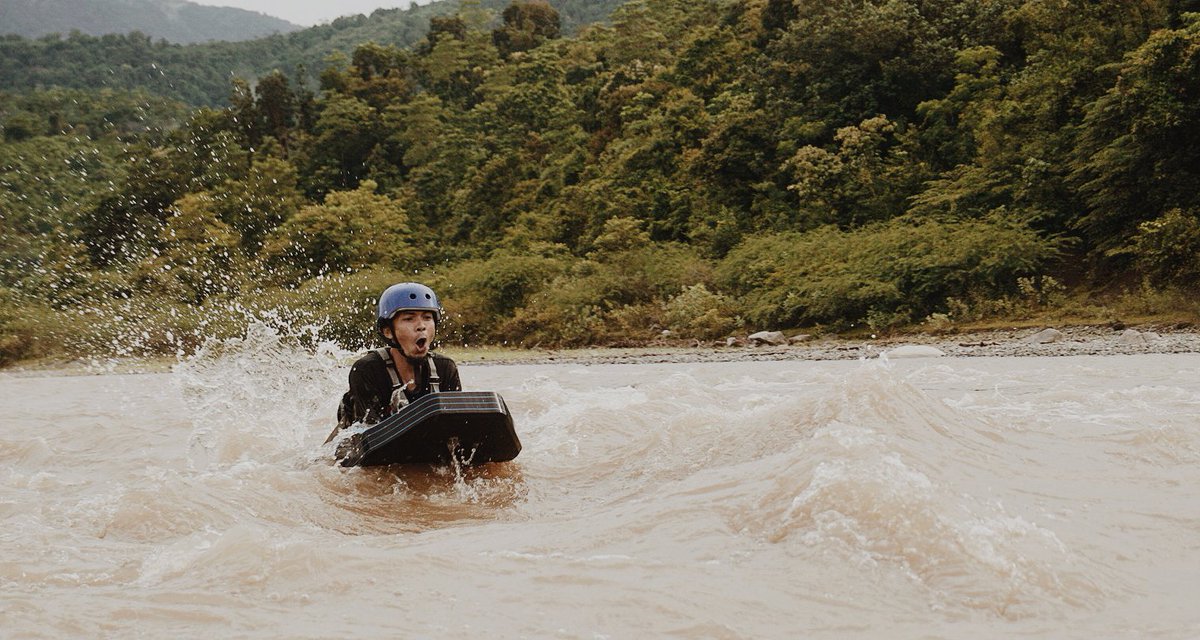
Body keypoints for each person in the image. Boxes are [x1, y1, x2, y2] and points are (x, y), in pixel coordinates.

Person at [326, 282, 461, 445]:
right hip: (354, 445)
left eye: (427, 317)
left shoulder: (445, 368)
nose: (421, 326)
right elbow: (368, 438)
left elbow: (456, 431)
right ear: (388, 331)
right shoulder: (366, 370)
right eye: (409, 319)